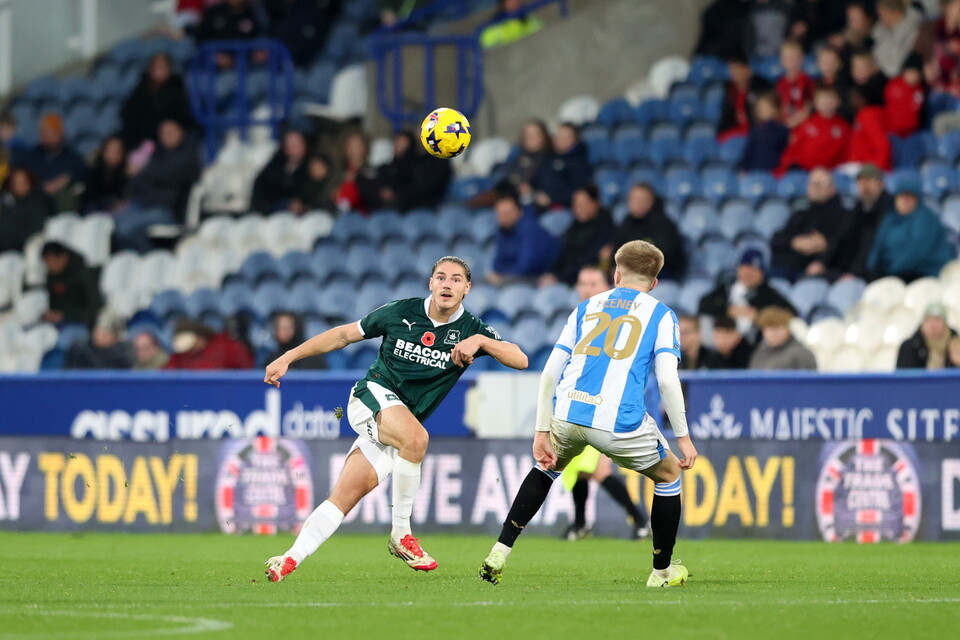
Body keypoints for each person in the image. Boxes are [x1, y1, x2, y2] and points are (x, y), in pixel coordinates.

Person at [263, 257, 527, 581]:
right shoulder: (401, 312)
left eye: (456, 279)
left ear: (467, 288)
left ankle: (289, 559)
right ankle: (401, 534)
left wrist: (482, 341)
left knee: (345, 496)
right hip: (371, 397)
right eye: (441, 277)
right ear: (431, 283)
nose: (447, 284)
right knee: (416, 439)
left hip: (397, 425)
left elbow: (521, 359)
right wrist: (288, 356)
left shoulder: (471, 329)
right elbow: (344, 335)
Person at [478, 240, 697, 588]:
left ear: (617, 274)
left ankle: (499, 551)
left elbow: (549, 373)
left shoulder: (585, 307)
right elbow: (668, 380)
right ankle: (662, 572)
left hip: (568, 412)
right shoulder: (662, 315)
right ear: (654, 283)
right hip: (618, 421)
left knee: (546, 467)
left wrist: (541, 430)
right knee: (669, 475)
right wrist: (683, 438)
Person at [560, 266, 650, 543]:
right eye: (583, 283)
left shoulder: (618, 320)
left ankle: (639, 520)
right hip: (580, 401)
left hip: (605, 401)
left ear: (608, 286)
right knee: (580, 469)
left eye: (593, 283)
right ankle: (582, 524)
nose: (587, 289)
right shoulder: (580, 317)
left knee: (595, 469)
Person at [116, 119, 201, 251]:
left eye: (171, 132)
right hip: (145, 206)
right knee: (113, 221)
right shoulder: (158, 156)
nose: (167, 136)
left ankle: (152, 257)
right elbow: (136, 182)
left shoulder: (188, 157)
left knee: (125, 229)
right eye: (163, 133)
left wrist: (144, 174)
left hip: (170, 211)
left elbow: (165, 177)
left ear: (181, 132)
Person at [809, 163, 892, 281]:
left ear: (881, 184)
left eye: (870, 181)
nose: (865, 186)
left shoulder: (889, 210)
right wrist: (822, 262)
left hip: (877, 273)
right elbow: (840, 238)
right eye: (861, 182)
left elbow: (873, 245)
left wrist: (855, 273)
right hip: (851, 271)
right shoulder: (858, 209)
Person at [867, 179, 957, 281]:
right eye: (901, 197)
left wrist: (891, 272)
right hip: (895, 273)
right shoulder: (890, 218)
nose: (905, 202)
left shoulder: (926, 218)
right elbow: (878, 246)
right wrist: (872, 269)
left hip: (926, 273)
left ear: (917, 200)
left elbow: (916, 252)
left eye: (909, 198)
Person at [771, 168, 849, 281]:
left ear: (833, 188)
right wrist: (795, 241)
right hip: (794, 268)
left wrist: (825, 245)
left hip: (829, 270)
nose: (815, 188)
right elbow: (776, 239)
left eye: (821, 183)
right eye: (812, 184)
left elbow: (848, 244)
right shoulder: (800, 215)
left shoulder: (844, 215)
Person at [599, 183, 686, 280]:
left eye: (641, 200)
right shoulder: (627, 222)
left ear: (651, 201)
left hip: (660, 276)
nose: (636, 203)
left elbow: (665, 256)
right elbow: (617, 247)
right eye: (633, 199)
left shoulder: (663, 224)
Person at [699, 247, 797, 333]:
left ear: (762, 274)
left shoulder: (769, 294)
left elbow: (791, 313)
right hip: (724, 335)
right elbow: (704, 304)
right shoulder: (725, 288)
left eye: (754, 270)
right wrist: (727, 310)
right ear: (738, 269)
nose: (749, 274)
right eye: (746, 268)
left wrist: (758, 315)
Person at [542, 185, 615, 286]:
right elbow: (564, 253)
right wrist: (551, 273)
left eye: (582, 204)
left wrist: (558, 277)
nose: (578, 209)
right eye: (575, 205)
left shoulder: (605, 227)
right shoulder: (576, 224)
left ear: (595, 203)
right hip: (564, 278)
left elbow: (589, 261)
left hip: (586, 282)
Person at [120, 53, 194, 148]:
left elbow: (184, 115)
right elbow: (128, 114)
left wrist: (171, 128)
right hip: (146, 137)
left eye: (162, 67)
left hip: (173, 138)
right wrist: (153, 128)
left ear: (169, 69)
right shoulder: (142, 87)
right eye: (155, 67)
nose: (158, 71)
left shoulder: (177, 87)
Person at [367, 130, 452, 212]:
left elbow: (421, 188)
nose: (400, 148)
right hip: (385, 208)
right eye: (398, 143)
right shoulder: (384, 169)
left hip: (416, 208)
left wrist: (396, 195)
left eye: (404, 145)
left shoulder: (417, 167)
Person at [487, 191, 558, 286]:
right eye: (500, 214)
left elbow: (526, 266)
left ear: (519, 212)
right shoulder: (503, 231)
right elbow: (497, 264)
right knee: (479, 283)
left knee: (499, 283)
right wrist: (501, 273)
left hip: (539, 276)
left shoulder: (529, 229)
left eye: (507, 213)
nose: (503, 217)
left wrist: (502, 274)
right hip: (514, 275)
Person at [776, 86, 851, 174]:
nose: (826, 102)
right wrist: (783, 169)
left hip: (830, 174)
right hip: (802, 171)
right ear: (815, 102)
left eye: (830, 98)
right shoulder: (807, 123)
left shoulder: (844, 127)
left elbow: (847, 155)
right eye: (822, 99)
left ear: (838, 101)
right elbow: (792, 149)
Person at [19, 113, 86, 213]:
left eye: (51, 132)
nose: (47, 136)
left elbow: (81, 175)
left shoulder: (71, 156)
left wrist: (65, 180)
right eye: (44, 133)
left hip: (65, 201)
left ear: (59, 133)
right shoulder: (33, 156)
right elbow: (26, 176)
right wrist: (43, 186)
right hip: (39, 200)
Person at [39, 241, 103, 328]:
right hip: (59, 323)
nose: (50, 266)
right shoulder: (52, 278)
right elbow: (54, 306)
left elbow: (95, 310)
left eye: (53, 261)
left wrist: (65, 315)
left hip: (82, 324)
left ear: (64, 257)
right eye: (47, 263)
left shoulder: (86, 275)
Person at [530, 123, 592, 210]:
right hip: (537, 203)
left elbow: (578, 192)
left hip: (562, 208)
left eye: (565, 137)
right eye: (558, 136)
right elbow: (535, 179)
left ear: (574, 140)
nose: (560, 139)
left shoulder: (578, 162)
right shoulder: (547, 156)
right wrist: (535, 193)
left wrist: (551, 200)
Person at [718, 52, 774, 142]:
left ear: (747, 70)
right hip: (737, 132)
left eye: (738, 69)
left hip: (757, 130)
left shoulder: (761, 86)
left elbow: (767, 113)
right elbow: (725, 119)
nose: (735, 73)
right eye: (732, 70)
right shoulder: (730, 90)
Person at [251, 130, 310, 215]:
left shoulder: (312, 166)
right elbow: (263, 191)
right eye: (290, 146)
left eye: (297, 145)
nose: (294, 149)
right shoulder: (275, 166)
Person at [0, 167, 54, 253]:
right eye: (16, 182)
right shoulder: (7, 200)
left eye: (23, 181)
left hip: (21, 246)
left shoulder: (38, 201)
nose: (20, 185)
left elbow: (36, 230)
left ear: (30, 182)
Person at [163, 320, 255, 369]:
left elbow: (245, 369)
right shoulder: (180, 356)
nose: (190, 351)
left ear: (199, 338)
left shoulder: (227, 347)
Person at [196, 0, 263, 68]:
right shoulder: (213, 12)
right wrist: (214, 56)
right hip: (214, 68)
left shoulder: (253, 12)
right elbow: (200, 40)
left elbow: (260, 38)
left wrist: (258, 52)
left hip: (248, 64)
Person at [748, 306, 817, 370]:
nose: (773, 333)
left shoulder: (800, 353)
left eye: (778, 328)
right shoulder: (760, 352)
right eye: (770, 329)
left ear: (788, 329)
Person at [738, 92, 790, 172]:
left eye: (767, 108)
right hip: (754, 171)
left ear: (775, 109)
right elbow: (749, 152)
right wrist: (744, 169)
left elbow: (785, 152)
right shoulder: (755, 130)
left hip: (773, 171)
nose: (764, 111)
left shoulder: (782, 130)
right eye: (761, 109)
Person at [872, 0, 926, 78]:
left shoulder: (913, 27)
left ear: (896, 12)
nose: (882, 18)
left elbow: (894, 66)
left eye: (883, 14)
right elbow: (875, 55)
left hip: (906, 74)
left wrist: (879, 64)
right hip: (884, 74)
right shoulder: (880, 29)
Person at [64, 311, 134, 370]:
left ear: (115, 337)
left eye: (105, 335)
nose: (99, 337)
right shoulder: (80, 349)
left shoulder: (124, 353)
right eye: (97, 332)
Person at [896, 303, 958, 369]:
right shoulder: (909, 348)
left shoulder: (956, 346)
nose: (933, 325)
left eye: (937, 320)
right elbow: (902, 373)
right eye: (929, 320)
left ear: (945, 324)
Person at [845, 86, 892, 170]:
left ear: (863, 98)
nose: (852, 99)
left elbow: (882, 144)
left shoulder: (868, 115)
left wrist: (876, 168)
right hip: (860, 164)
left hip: (866, 166)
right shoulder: (863, 114)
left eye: (855, 96)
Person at [884, 52, 927, 138]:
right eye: (910, 72)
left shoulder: (920, 90)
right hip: (894, 132)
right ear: (904, 72)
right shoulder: (894, 85)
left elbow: (917, 111)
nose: (913, 76)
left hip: (913, 132)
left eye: (916, 73)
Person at [81, 136, 128, 214]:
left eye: (118, 151)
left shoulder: (126, 176)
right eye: (111, 150)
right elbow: (90, 200)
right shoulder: (93, 174)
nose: (114, 154)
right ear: (104, 152)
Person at [777, 40, 816, 128]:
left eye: (795, 58)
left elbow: (809, 107)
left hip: (803, 124)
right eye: (787, 58)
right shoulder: (780, 83)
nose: (791, 61)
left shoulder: (807, 81)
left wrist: (794, 121)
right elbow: (779, 106)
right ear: (782, 61)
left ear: (802, 59)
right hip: (784, 123)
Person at [479, 0, 544, 49]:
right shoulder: (493, 29)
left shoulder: (530, 20)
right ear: (503, 4)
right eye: (510, 1)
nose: (514, 2)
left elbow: (542, 35)